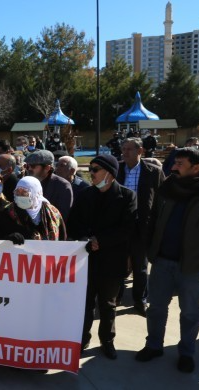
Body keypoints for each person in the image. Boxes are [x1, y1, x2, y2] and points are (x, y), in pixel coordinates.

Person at [135, 148, 199, 373]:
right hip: (162, 261)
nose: (173, 167)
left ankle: (187, 353)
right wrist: (150, 248)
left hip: (192, 267)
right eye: (174, 163)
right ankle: (154, 346)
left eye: (180, 164)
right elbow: (153, 218)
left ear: (196, 167)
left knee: (190, 313)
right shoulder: (168, 188)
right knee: (156, 308)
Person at [68, 155, 137, 360]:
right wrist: (85, 238)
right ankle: (82, 339)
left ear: (110, 172)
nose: (92, 173)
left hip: (112, 260)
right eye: (90, 169)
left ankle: (107, 340)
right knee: (85, 303)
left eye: (96, 169)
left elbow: (128, 228)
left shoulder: (127, 196)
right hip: (86, 259)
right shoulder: (86, 194)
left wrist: (101, 240)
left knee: (108, 304)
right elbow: (73, 223)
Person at [117, 138, 165, 316]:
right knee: (118, 264)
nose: (125, 152)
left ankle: (140, 300)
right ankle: (116, 297)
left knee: (140, 267)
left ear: (140, 151)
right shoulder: (117, 169)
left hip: (143, 226)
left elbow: (162, 197)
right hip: (120, 225)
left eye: (129, 149)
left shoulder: (153, 171)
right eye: (123, 148)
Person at [0, 176, 66, 242]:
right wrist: (7, 240)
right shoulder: (6, 213)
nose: (20, 196)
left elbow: (62, 240)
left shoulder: (53, 212)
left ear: (36, 194)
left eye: (24, 193)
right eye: (17, 192)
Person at [24, 150, 73, 220]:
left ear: (47, 168)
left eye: (33, 166)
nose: (29, 169)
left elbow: (60, 217)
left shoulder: (62, 186)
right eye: (27, 166)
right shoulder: (26, 182)